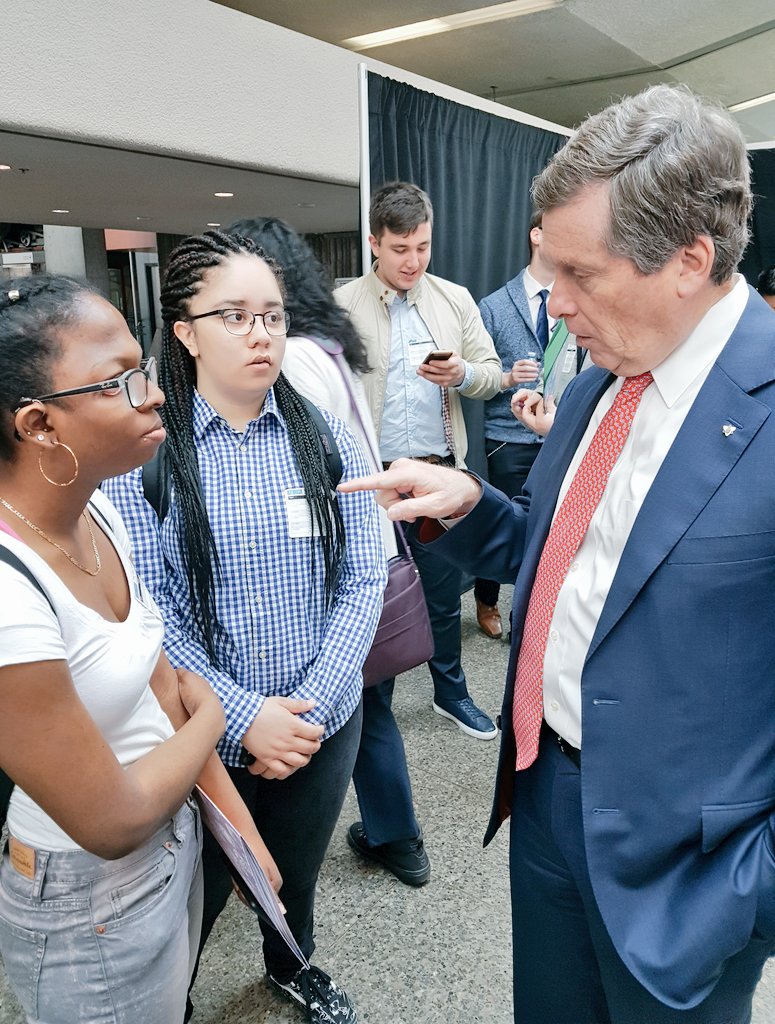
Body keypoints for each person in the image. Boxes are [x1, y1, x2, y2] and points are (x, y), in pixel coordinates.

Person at [341, 85, 775, 1023]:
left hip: (694, 877)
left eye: (578, 273)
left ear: (687, 262)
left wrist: (749, 896)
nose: (552, 303)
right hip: (543, 794)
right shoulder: (593, 384)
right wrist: (475, 506)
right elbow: (570, 557)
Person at [102, 230, 385, 1024]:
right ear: (184, 332)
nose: (261, 334)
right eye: (234, 316)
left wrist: (313, 709)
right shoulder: (144, 458)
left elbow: (365, 572)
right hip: (193, 730)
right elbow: (142, 611)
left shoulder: (319, 435)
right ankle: (172, 997)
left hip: (320, 721)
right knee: (197, 885)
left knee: (294, 871)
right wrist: (243, 716)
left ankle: (292, 966)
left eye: (273, 315)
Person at [0, 275, 280, 1024]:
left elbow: (160, 690)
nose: (154, 393)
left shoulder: (103, 516)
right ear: (37, 424)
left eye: (145, 369)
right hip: (80, 892)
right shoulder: (7, 589)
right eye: (119, 382)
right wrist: (213, 721)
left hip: (170, 841)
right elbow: (111, 815)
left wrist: (244, 836)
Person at [228, 216, 430, 887]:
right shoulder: (329, 347)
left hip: (339, 567)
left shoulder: (293, 362)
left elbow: (306, 488)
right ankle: (397, 836)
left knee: (351, 714)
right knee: (371, 713)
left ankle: (375, 842)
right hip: (368, 547)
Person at [336, 181, 502, 741]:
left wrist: (462, 374)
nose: (413, 261)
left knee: (440, 590)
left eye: (423, 247)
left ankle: (450, 694)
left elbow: (492, 374)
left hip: (438, 475)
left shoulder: (454, 299)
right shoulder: (341, 307)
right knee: (373, 592)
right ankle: (371, 701)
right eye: (401, 248)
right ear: (374, 243)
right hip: (373, 480)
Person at [473, 211, 555, 639]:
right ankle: (487, 600)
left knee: (549, 525)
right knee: (503, 519)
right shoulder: (494, 305)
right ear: (536, 235)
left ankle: (535, 611)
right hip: (506, 436)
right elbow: (479, 378)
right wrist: (508, 375)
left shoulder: (572, 299)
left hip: (559, 430)